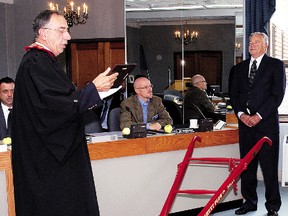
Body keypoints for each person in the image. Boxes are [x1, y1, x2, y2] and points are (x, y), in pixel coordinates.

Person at [11, 10, 118, 216]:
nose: (68, 37)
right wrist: (91, 90)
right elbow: (56, 109)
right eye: (61, 31)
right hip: (48, 165)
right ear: (43, 33)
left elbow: (62, 102)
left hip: (50, 160)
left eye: (67, 31)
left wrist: (95, 92)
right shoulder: (37, 62)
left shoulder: (43, 61)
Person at [230, 32, 286, 216]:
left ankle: (272, 206)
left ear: (266, 46)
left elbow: (277, 95)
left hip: (266, 125)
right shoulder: (239, 68)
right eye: (250, 42)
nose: (252, 45)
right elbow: (234, 95)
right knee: (247, 167)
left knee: (269, 169)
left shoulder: (276, 66)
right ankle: (249, 203)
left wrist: (259, 116)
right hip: (245, 125)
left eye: (256, 42)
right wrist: (241, 114)